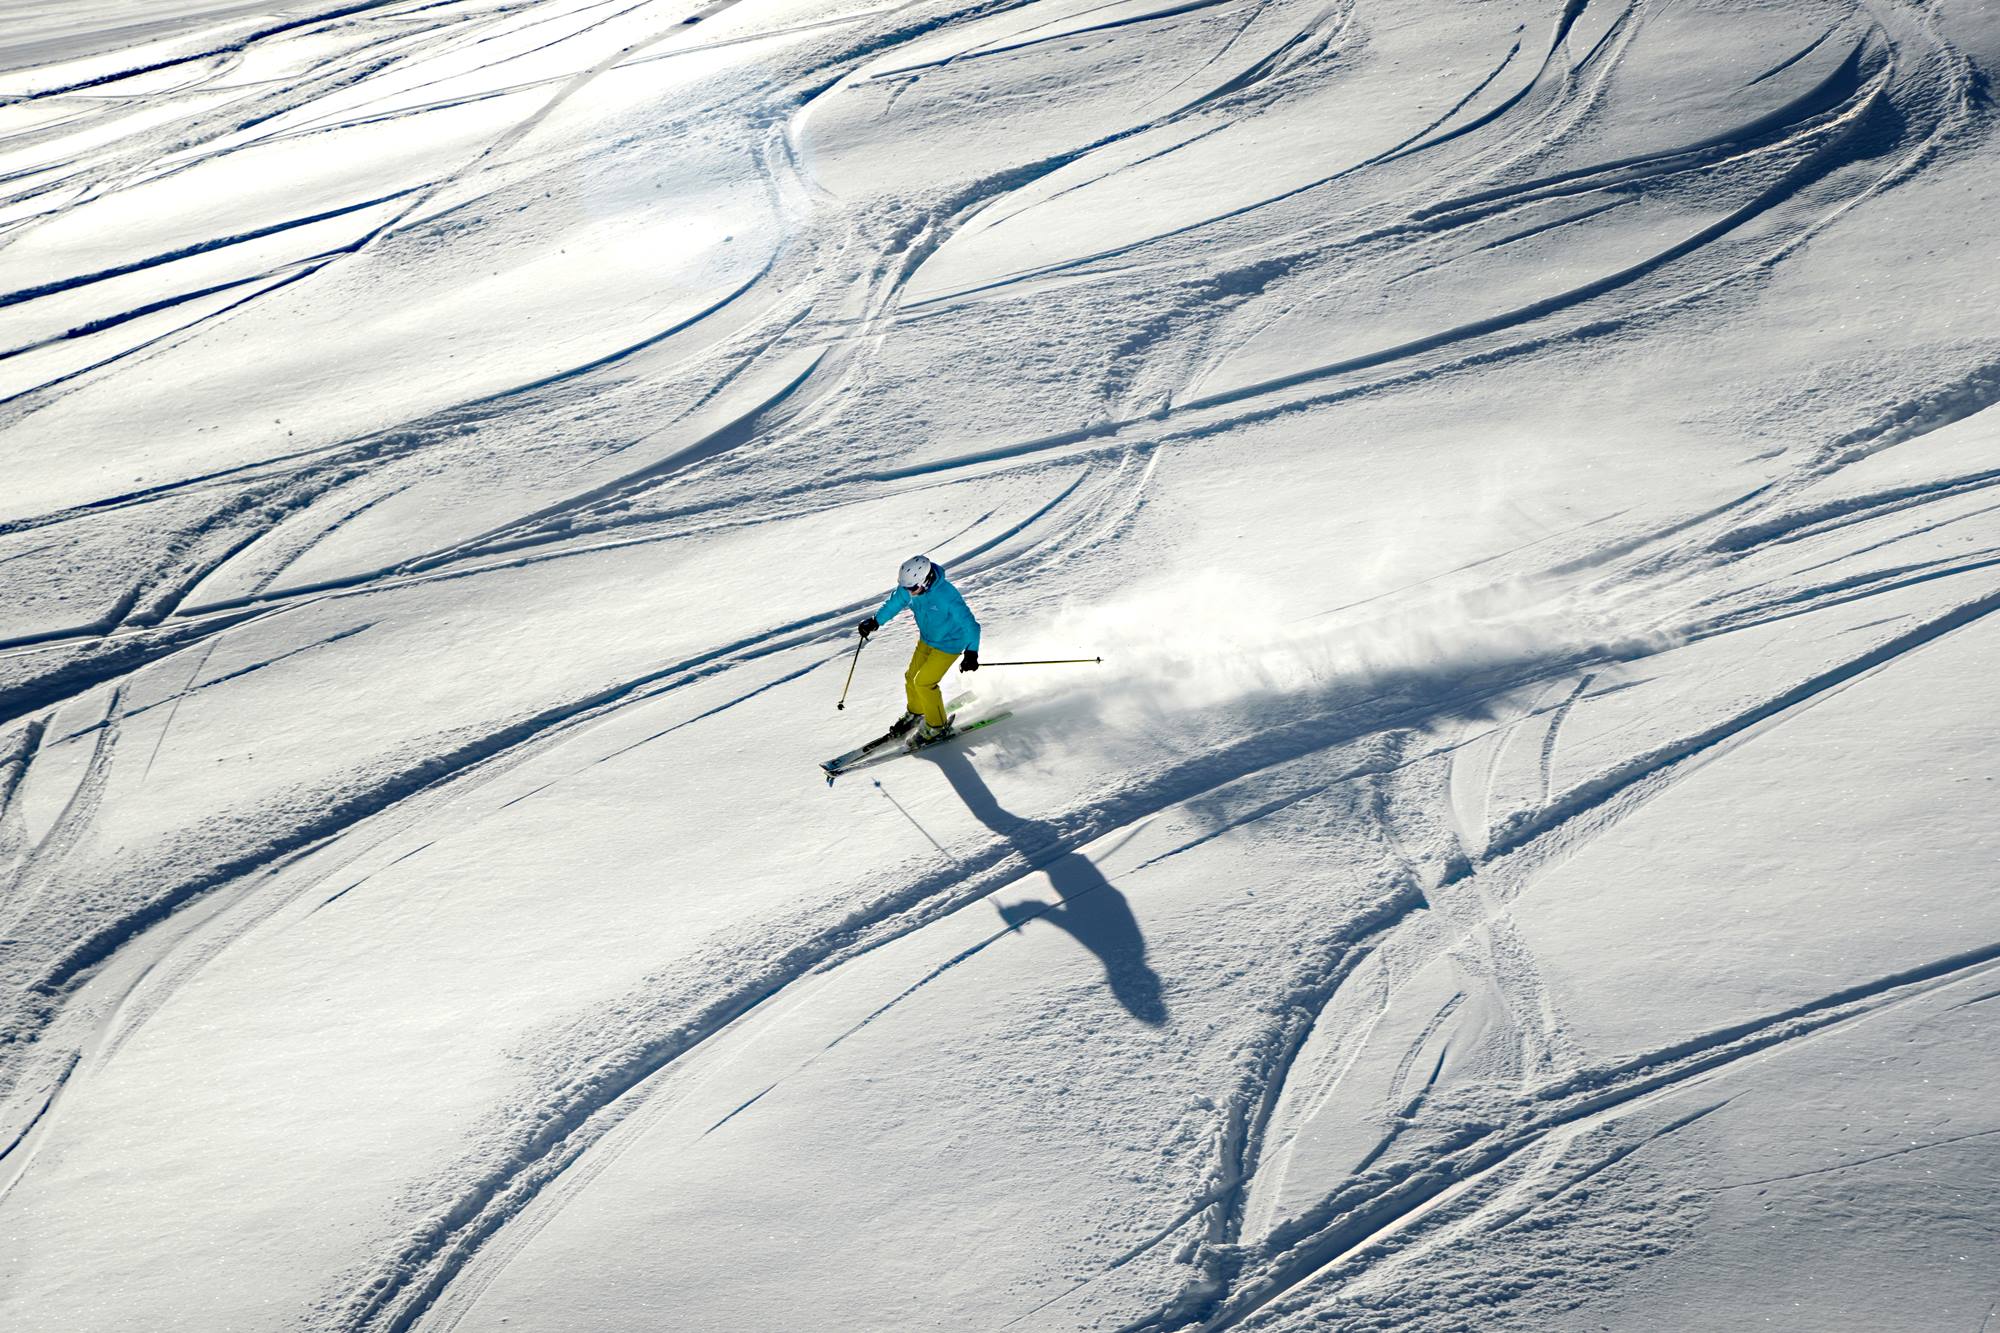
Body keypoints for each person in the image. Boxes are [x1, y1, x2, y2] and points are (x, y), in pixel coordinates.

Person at [858, 555, 980, 747]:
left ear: (926, 580)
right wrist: (875, 621)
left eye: (912, 589)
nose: (909, 593)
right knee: (911, 677)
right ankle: (916, 713)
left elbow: (971, 626)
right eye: (907, 588)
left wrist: (971, 652)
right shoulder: (911, 588)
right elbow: (894, 603)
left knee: (924, 683)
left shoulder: (946, 595)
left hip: (950, 643)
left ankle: (938, 727)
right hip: (928, 639)